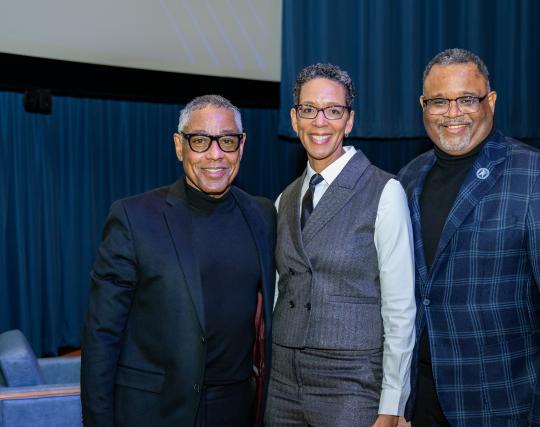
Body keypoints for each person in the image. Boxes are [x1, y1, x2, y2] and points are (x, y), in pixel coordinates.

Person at [398, 48, 540, 427]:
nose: (452, 113)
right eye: (439, 101)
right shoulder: (408, 178)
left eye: (466, 99)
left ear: (491, 101)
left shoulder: (538, 176)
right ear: (424, 105)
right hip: (422, 401)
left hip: (506, 404)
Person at [81, 95, 276, 427]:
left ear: (241, 146)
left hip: (237, 410)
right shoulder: (133, 217)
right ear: (179, 146)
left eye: (227, 141)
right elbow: (102, 335)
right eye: (200, 141)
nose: (215, 155)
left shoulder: (263, 215)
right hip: (155, 411)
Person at [264, 63, 416, 427]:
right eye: (308, 109)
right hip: (283, 382)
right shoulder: (283, 200)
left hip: (351, 384)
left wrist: (393, 403)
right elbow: (278, 295)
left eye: (333, 111)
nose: (320, 122)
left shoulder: (385, 191)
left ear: (349, 121)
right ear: (294, 118)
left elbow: (400, 308)